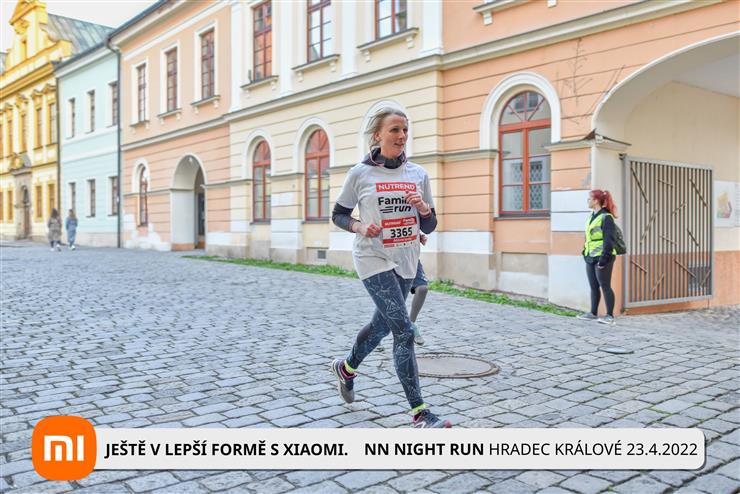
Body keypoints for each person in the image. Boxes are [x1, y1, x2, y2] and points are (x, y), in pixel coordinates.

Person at [330, 107, 451, 428]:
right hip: (373, 257)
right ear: (378, 135)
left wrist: (423, 209)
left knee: (381, 326)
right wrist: (359, 227)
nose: (401, 136)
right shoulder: (360, 174)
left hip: (406, 258)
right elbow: (339, 214)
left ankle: (347, 368)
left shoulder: (417, 174)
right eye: (395, 130)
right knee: (403, 331)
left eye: (405, 130)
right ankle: (420, 413)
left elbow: (430, 224)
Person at [577, 189, 618, 325]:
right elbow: (589, 237)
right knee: (593, 286)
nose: (588, 201)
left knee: (605, 286)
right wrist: (585, 252)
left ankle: (609, 316)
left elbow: (609, 241)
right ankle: (592, 313)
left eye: (589, 199)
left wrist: (603, 260)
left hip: (603, 258)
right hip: (590, 256)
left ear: (595, 201)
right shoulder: (591, 216)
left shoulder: (606, 217)